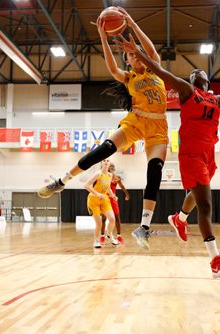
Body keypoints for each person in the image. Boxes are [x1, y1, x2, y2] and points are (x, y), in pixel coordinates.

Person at [116, 33, 220, 278]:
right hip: (191, 154)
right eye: (193, 73)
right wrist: (138, 52)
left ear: (208, 80)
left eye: (200, 72)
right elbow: (159, 70)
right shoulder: (187, 91)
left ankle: (180, 217)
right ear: (194, 80)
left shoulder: (216, 99)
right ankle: (216, 260)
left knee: (196, 195)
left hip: (208, 154)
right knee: (206, 205)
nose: (197, 72)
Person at [37, 7, 168, 250]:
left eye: (137, 55)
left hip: (158, 126)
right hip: (136, 121)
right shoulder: (129, 78)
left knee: (155, 172)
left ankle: (144, 227)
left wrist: (131, 23)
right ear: (127, 60)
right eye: (130, 57)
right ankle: (62, 180)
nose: (135, 57)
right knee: (104, 149)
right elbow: (111, 68)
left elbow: (149, 50)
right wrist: (102, 37)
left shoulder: (154, 68)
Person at [84, 160, 119, 248]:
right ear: (101, 163)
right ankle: (96, 240)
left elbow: (108, 188)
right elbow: (86, 185)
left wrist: (113, 195)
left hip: (104, 199)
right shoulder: (98, 174)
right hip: (93, 200)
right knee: (99, 223)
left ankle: (109, 234)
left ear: (110, 163)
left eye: (108, 161)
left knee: (112, 219)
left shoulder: (110, 175)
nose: (106, 162)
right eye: (104, 160)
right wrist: (97, 194)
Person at [100, 162, 130, 244]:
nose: (112, 167)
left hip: (113, 199)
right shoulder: (104, 176)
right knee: (104, 218)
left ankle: (119, 236)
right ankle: (102, 236)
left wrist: (127, 194)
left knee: (117, 217)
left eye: (113, 166)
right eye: (110, 166)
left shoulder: (117, 178)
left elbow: (122, 186)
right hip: (105, 198)